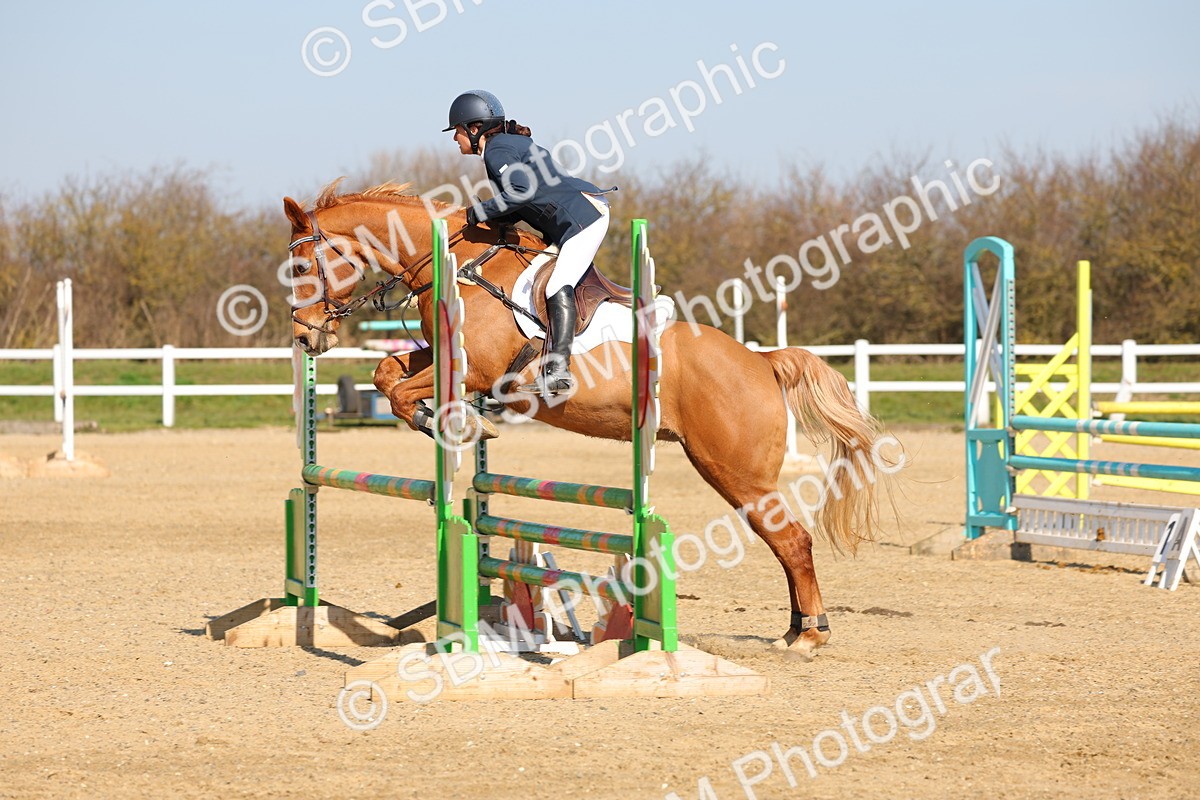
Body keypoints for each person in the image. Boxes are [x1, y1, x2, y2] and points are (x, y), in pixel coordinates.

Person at [444, 89, 612, 396]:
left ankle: (558, 371)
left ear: (474, 128)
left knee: (556, 285)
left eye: (457, 130)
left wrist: (478, 212)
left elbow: (521, 193)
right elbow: (524, 202)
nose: (455, 138)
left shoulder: (497, 150)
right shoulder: (505, 146)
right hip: (575, 218)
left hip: (584, 220)